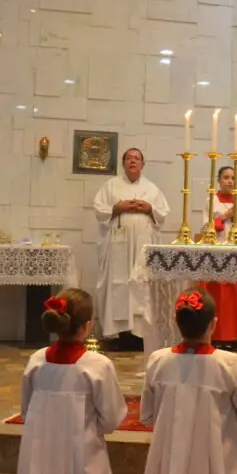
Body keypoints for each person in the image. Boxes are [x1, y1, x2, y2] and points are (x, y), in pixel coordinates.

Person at [140, 288, 237, 474]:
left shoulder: (158, 361)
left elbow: (147, 416)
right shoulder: (229, 365)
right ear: (213, 323)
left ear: (175, 321)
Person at [12, 288, 127, 474]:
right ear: (87, 326)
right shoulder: (97, 365)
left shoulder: (36, 360)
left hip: (42, 463)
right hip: (83, 465)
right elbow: (111, 418)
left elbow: (26, 412)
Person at [93, 148, 170, 351]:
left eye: (137, 158)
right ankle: (119, 335)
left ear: (143, 165)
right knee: (118, 284)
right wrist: (117, 208)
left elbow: (162, 214)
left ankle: (140, 334)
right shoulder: (111, 186)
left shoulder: (152, 189)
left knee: (141, 285)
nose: (133, 161)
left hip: (142, 246)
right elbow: (99, 210)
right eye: (129, 158)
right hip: (118, 246)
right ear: (123, 163)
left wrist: (149, 208)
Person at [199, 166, 237, 346]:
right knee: (215, 294)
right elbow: (205, 228)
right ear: (219, 181)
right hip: (215, 251)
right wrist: (224, 216)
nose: (229, 181)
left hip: (233, 252)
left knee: (231, 297)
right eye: (226, 177)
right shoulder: (210, 201)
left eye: (232, 178)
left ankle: (233, 336)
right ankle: (212, 335)